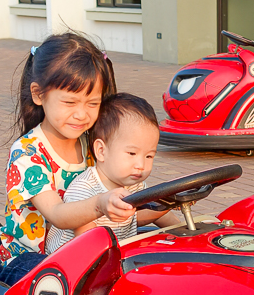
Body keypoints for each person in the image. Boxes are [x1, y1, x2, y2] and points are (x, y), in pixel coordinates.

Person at [0, 33, 134, 285]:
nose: (81, 114)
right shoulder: (27, 153)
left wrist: (168, 208)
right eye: (70, 102)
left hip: (77, 249)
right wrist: (100, 204)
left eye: (92, 103)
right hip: (26, 258)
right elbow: (56, 213)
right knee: (65, 283)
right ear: (38, 94)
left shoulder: (93, 144)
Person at [45, 94, 177, 254]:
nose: (141, 165)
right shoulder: (84, 189)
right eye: (131, 153)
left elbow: (150, 213)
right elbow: (87, 242)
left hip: (113, 255)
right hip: (73, 265)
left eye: (149, 156)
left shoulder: (135, 185)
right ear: (101, 151)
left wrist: (181, 228)